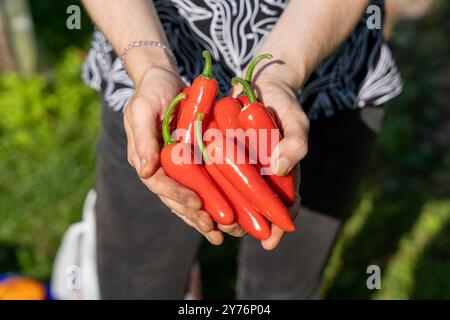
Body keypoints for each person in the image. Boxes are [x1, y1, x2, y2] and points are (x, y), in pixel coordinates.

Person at [81, 0, 402, 299]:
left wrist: (282, 72)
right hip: (145, 68)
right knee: (136, 279)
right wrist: (150, 66)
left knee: (282, 285)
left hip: (327, 75)